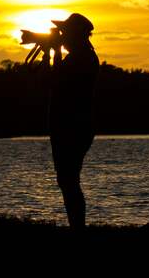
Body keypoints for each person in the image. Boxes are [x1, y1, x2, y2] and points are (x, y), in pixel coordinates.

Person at [45, 13, 99, 230]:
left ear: (76, 34)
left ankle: (78, 229)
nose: (63, 36)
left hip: (73, 125)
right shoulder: (79, 55)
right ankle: (77, 228)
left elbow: (57, 80)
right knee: (67, 180)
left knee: (69, 180)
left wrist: (54, 51)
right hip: (70, 124)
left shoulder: (82, 58)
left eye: (66, 32)